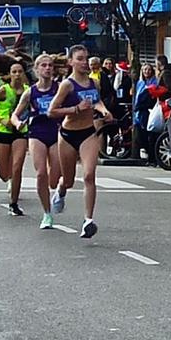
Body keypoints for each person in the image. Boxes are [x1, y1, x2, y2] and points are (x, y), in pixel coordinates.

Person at [53, 46, 111, 240]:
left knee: (89, 175)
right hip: (68, 134)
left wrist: (104, 111)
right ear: (71, 62)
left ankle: (88, 221)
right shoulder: (67, 85)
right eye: (80, 59)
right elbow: (52, 111)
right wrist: (76, 109)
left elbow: (97, 101)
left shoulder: (94, 83)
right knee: (68, 180)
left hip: (88, 133)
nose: (84, 62)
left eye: (86, 58)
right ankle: (61, 191)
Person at [12, 53, 65, 227]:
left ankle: (59, 192)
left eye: (50, 65)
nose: (47, 68)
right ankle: (47, 213)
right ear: (36, 70)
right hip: (37, 132)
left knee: (54, 178)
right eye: (43, 65)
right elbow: (15, 115)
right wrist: (18, 123)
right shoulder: (30, 92)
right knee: (41, 172)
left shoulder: (60, 89)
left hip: (56, 132)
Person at [0, 56, 29, 217]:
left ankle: (14, 203)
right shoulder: (4, 90)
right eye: (14, 72)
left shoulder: (28, 90)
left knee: (17, 167)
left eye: (20, 71)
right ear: (10, 74)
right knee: (5, 175)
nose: (17, 74)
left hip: (20, 131)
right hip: (3, 132)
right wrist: (1, 119)